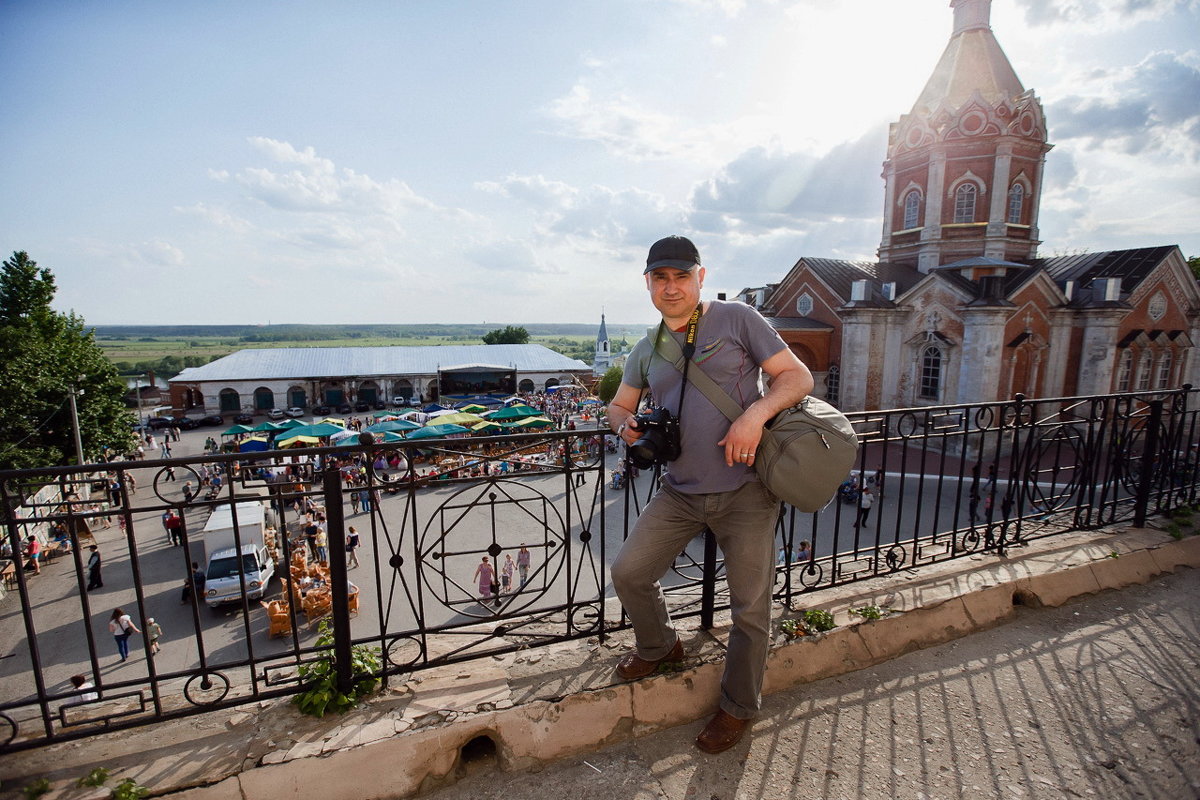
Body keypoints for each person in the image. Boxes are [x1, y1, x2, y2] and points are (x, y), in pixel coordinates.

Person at [607, 235, 813, 755]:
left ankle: (738, 706)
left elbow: (797, 377)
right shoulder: (645, 347)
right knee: (629, 572)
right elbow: (617, 406)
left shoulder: (737, 318)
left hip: (746, 490)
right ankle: (661, 644)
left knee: (749, 609)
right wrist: (626, 427)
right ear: (648, 283)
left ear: (700, 277)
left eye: (681, 276)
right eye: (661, 278)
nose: (671, 287)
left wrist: (753, 415)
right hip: (679, 490)